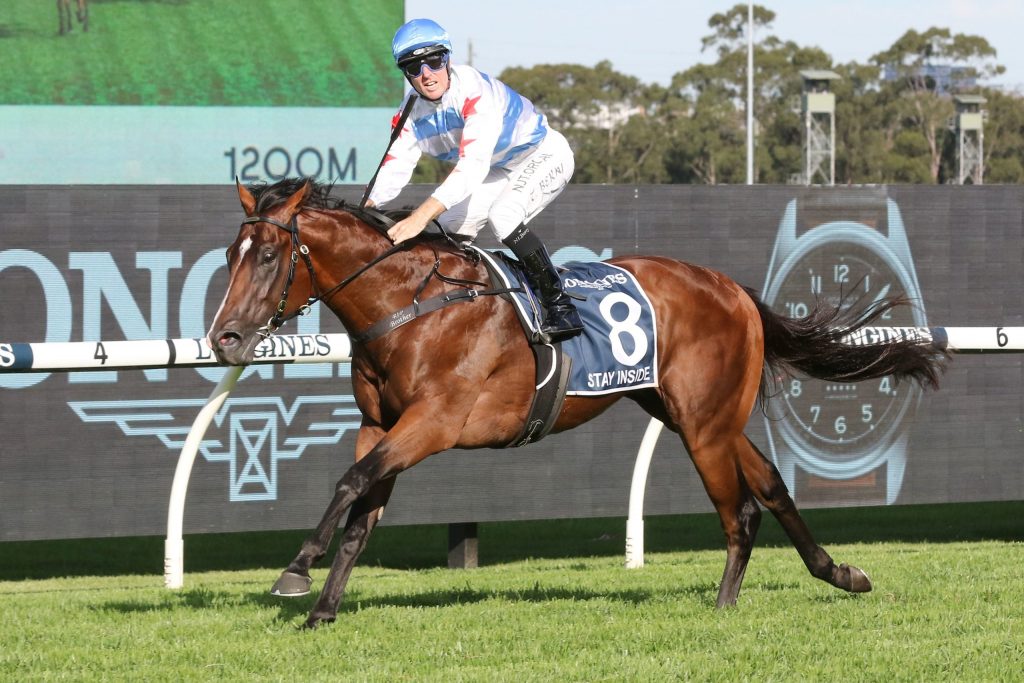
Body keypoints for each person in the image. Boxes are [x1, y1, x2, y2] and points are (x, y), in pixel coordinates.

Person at [364, 18, 583, 343]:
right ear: (406, 73)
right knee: (448, 226)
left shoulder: (474, 90)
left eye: (434, 60)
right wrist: (366, 208)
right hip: (499, 166)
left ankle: (559, 305)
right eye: (413, 67)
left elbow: (471, 168)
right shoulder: (409, 112)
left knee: (503, 215)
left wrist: (419, 217)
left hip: (543, 154)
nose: (426, 74)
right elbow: (394, 166)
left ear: (448, 58)